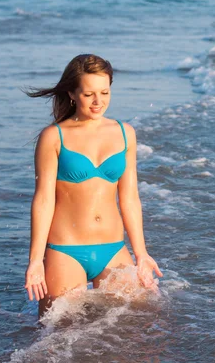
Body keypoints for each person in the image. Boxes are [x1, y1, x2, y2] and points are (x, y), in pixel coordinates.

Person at [23, 54, 163, 316]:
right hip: (66, 251)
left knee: (136, 327)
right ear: (73, 94)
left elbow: (130, 198)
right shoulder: (54, 136)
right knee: (55, 336)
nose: (99, 102)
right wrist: (35, 262)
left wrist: (142, 254)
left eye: (104, 92)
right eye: (89, 94)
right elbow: (43, 200)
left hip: (113, 249)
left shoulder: (125, 133)